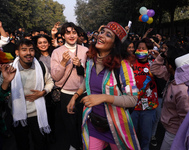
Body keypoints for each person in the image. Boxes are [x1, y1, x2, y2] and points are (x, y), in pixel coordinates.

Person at [67, 22, 140, 150]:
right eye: (102, 32)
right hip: (94, 123)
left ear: (114, 44)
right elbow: (87, 80)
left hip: (117, 126)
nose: (101, 36)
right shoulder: (90, 60)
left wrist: (104, 97)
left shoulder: (123, 66)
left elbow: (133, 99)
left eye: (108, 35)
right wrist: (75, 96)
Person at [9, 39, 54, 150]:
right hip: (18, 114)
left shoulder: (41, 66)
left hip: (37, 113)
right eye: (24, 50)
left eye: (31, 50)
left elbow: (50, 82)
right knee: (22, 144)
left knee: (41, 143)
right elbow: (3, 88)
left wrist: (43, 92)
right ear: (17, 52)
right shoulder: (9, 69)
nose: (28, 53)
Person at [51, 22, 88, 150]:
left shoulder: (85, 51)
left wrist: (80, 66)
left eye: (74, 32)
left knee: (83, 124)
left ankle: (84, 145)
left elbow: (89, 74)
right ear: (63, 35)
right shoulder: (57, 52)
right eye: (68, 33)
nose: (71, 35)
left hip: (83, 93)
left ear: (78, 35)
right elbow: (55, 77)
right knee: (69, 125)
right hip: (66, 94)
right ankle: (73, 146)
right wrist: (62, 63)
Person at [150, 41, 189, 150]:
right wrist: (162, 55)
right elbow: (154, 69)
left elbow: (186, 118)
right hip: (168, 128)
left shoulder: (182, 89)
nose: (163, 65)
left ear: (169, 66)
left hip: (175, 133)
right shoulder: (173, 76)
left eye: (165, 62)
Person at [130, 37, 158, 150]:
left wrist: (158, 59)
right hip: (132, 107)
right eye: (139, 48)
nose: (141, 50)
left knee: (146, 137)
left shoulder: (154, 64)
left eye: (144, 48)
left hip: (149, 108)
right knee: (132, 137)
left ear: (149, 50)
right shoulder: (130, 64)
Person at [32, 34, 56, 143]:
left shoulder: (55, 54)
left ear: (49, 43)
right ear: (36, 45)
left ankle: (54, 135)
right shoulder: (34, 58)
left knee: (55, 116)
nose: (43, 45)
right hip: (42, 91)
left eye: (45, 42)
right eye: (40, 43)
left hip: (56, 90)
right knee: (45, 114)